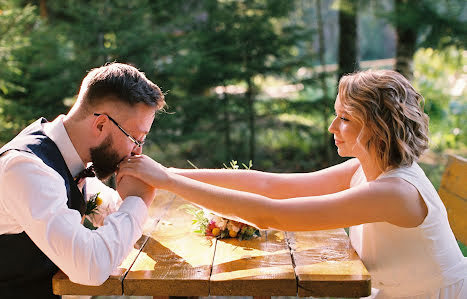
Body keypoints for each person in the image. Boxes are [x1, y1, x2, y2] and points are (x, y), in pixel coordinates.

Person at [118, 69, 467, 298]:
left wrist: (165, 181)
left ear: (375, 127)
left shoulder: (394, 192)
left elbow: (273, 214)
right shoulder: (365, 168)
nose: (332, 126)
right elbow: (268, 185)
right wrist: (170, 174)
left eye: (345, 118)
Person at [0, 62, 166, 298]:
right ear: (100, 124)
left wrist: (130, 199)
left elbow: (106, 206)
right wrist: (138, 200)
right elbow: (90, 267)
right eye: (136, 138)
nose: (137, 152)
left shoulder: (69, 154)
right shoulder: (27, 169)